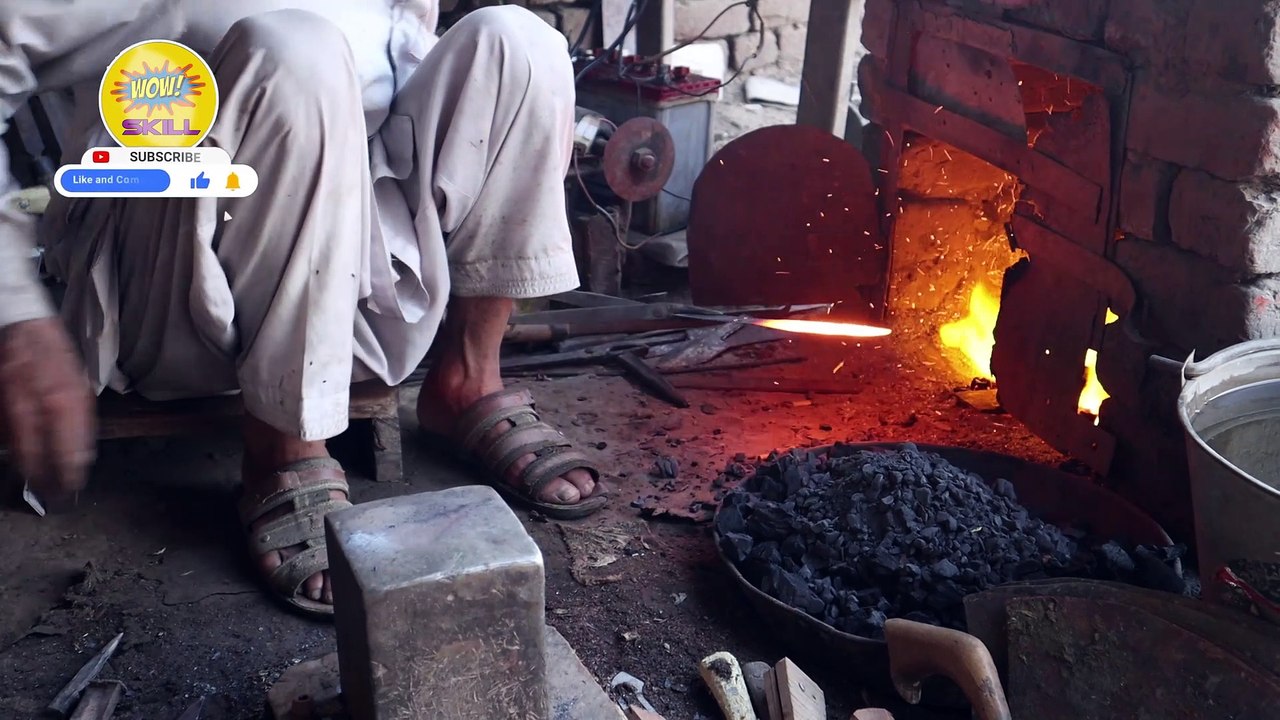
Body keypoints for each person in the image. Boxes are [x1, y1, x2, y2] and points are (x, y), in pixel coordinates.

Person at [0, 0, 609, 618]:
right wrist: (15, 312)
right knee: (293, 51)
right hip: (174, 277)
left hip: (354, 263)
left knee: (518, 42)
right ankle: (281, 443)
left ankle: (466, 380)